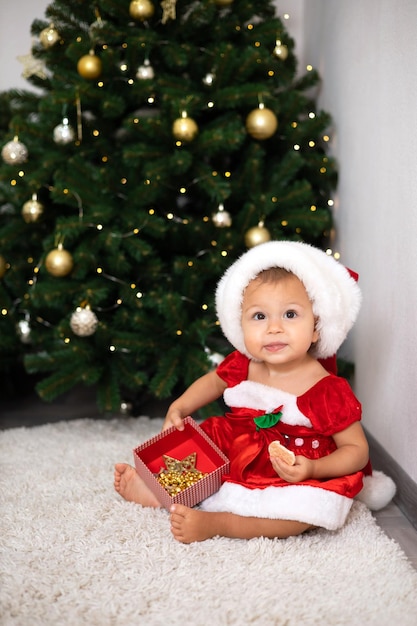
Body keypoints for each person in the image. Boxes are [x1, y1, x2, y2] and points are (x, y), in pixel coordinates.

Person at [114, 240, 393, 543]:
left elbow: (356, 450)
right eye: (260, 317)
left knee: (300, 514)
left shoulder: (326, 389)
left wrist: (314, 467)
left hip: (293, 463)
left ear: (316, 327)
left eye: (290, 315)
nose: (274, 328)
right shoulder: (246, 364)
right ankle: (159, 489)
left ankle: (221, 524)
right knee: (203, 441)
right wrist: (179, 407)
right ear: (241, 325)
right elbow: (213, 381)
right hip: (241, 441)